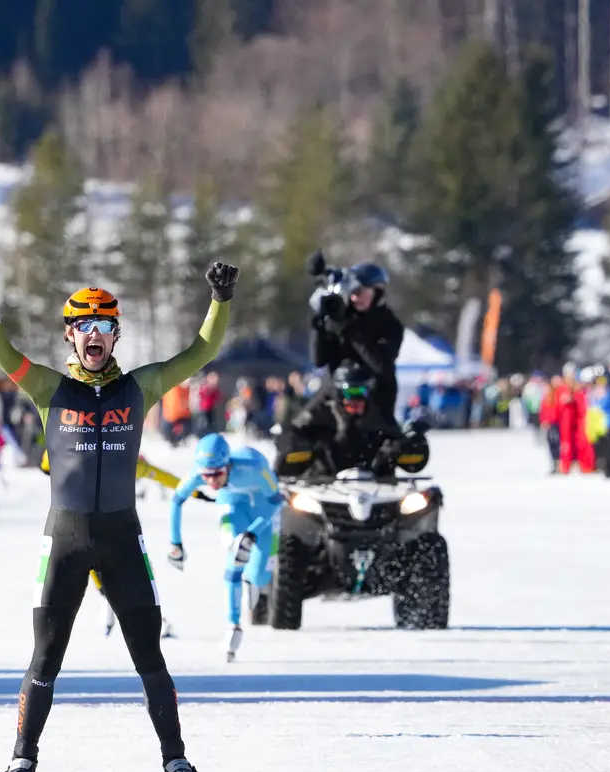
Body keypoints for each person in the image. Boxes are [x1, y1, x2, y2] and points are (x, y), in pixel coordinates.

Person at [0, 259, 239, 772]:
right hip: (64, 538)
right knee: (45, 657)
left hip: (121, 539)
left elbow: (199, 353)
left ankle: (176, 758)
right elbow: (3, 355)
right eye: (85, 326)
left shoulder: (141, 387)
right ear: (70, 334)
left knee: (149, 655)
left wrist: (220, 300)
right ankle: (23, 757)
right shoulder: (49, 389)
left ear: (117, 335)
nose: (95, 335)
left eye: (105, 326)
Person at [39, 449, 213, 636]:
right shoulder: (125, 463)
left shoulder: (122, 463)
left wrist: (196, 493)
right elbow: (163, 477)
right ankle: (119, 606)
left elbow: (163, 477)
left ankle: (117, 605)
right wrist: (196, 494)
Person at [167, 433, 283, 662]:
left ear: (228, 465)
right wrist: (175, 542)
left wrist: (253, 532)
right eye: (206, 476)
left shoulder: (255, 467)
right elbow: (177, 500)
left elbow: (276, 502)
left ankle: (252, 578)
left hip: (263, 508)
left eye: (217, 474)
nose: (211, 482)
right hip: (232, 504)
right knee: (234, 551)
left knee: (261, 576)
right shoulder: (198, 473)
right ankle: (233, 624)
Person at [303, 253, 405, 430]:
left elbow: (381, 365)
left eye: (360, 292)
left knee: (385, 441)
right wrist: (319, 326)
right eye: (352, 292)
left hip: (376, 398)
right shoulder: (340, 319)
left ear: (377, 290)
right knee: (299, 429)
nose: (355, 298)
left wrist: (349, 331)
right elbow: (319, 360)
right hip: (335, 393)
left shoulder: (391, 325)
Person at [275, 363, 428, 479]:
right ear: (339, 395)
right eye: (349, 393)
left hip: (377, 497)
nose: (355, 400)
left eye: (361, 392)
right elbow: (286, 464)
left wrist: (406, 446)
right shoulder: (317, 425)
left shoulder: (380, 426)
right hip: (325, 494)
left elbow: (414, 461)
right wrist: (297, 445)